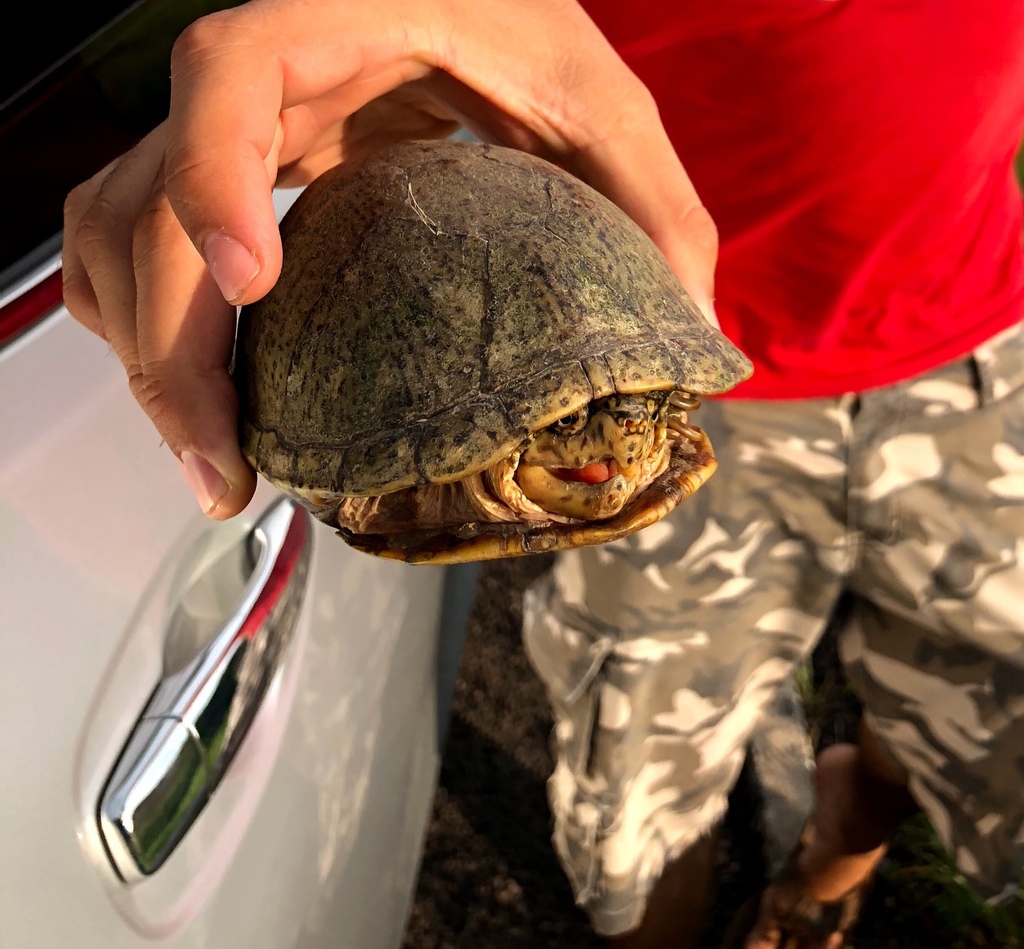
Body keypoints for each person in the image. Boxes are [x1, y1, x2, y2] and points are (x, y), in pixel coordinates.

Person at [62, 1, 1024, 947]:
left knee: (965, 699)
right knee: (639, 792)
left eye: (614, 428)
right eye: (575, 429)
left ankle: (829, 865)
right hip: (712, 362)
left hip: (978, 333)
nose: (598, 450)